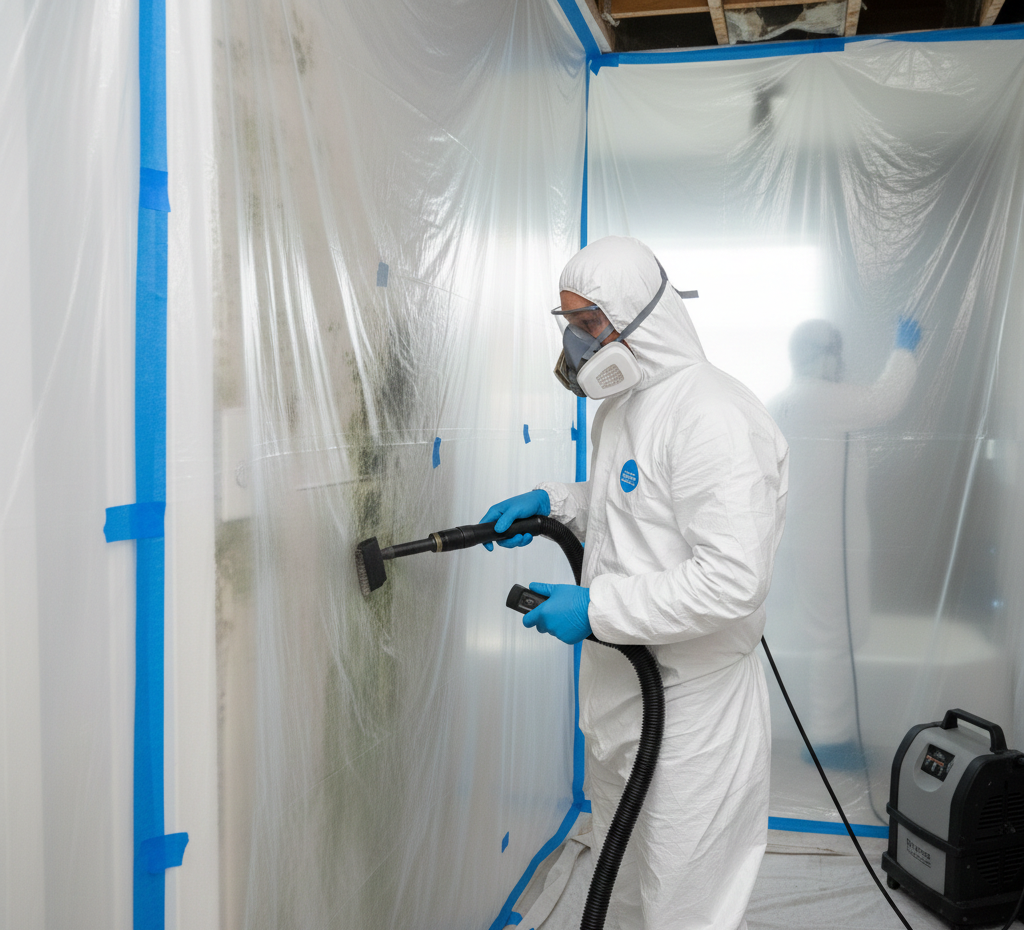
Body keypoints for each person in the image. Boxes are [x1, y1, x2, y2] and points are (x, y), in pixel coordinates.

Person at [479, 237, 789, 930]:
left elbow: (733, 579)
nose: (577, 343)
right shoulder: (620, 407)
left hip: (692, 706)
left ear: (642, 316)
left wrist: (597, 607)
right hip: (623, 693)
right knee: (622, 876)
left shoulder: (715, 414)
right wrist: (555, 504)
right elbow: (631, 506)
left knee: (683, 900)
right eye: (569, 324)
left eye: (589, 323)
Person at [767, 317, 921, 768]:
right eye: (834, 350)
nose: (840, 360)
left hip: (801, 535)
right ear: (824, 355)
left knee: (829, 632)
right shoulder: (820, 397)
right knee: (835, 635)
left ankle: (822, 731)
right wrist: (904, 350)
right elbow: (884, 401)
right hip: (826, 539)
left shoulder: (781, 400)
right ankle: (830, 740)